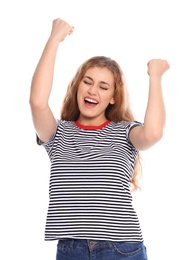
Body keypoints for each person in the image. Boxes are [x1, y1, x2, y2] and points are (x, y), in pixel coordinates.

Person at [29, 18, 170, 260]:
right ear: (78, 87)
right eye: (87, 82)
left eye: (104, 87)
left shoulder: (125, 131)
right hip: (71, 249)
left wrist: (155, 77)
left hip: (122, 247)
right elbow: (37, 102)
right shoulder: (58, 133)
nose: (93, 91)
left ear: (113, 98)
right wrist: (54, 39)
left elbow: (153, 133)